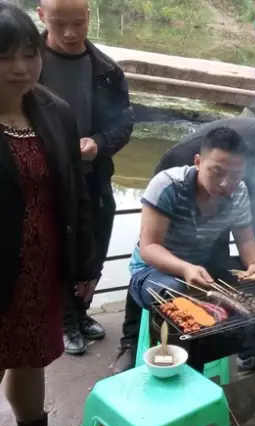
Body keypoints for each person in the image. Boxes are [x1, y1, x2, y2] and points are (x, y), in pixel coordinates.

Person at [113, 104, 255, 372]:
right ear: (197, 162)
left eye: (235, 174)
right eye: (217, 172)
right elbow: (149, 248)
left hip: (202, 266)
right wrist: (185, 268)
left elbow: (246, 241)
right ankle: (168, 365)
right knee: (178, 292)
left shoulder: (238, 190)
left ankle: (253, 354)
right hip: (154, 271)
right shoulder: (167, 185)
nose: (226, 183)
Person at [0, 2, 98, 426]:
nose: (21, 69)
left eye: (29, 54)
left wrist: (84, 266)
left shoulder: (54, 112)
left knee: (30, 356)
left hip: (40, 264)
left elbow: (75, 193)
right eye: (5, 58)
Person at [38, 0, 134, 356]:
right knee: (53, 249)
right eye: (59, 23)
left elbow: (123, 123)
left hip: (91, 179)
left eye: (78, 23)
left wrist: (99, 143)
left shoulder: (106, 70)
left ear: (89, 17)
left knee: (91, 249)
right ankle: (62, 321)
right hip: (43, 181)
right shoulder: (27, 62)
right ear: (41, 15)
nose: (69, 33)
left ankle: (80, 312)